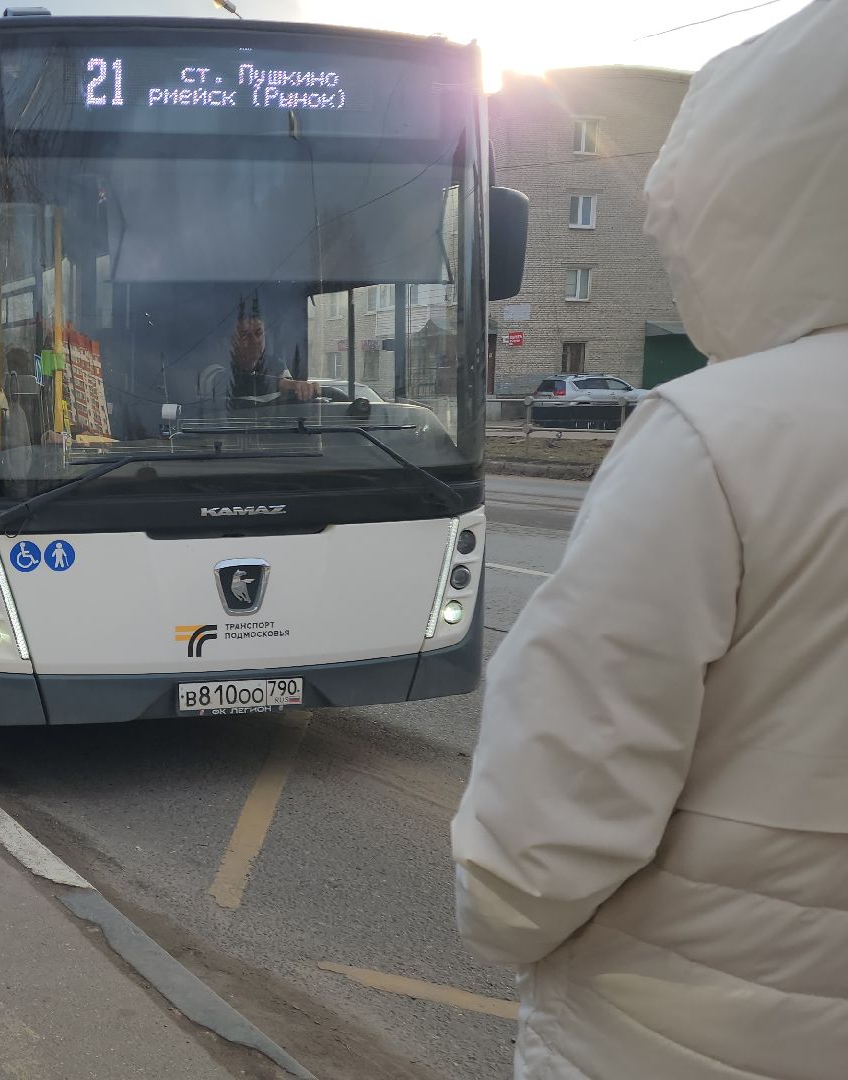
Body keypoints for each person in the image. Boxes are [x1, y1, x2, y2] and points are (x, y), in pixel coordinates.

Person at [452, 5, 848, 1077]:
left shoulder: (718, 437)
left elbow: (540, 835)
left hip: (674, 1036)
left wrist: (500, 920)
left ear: (736, 200)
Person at [196, 297, 312, 416]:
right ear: (229, 341)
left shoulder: (275, 363)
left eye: (258, 333)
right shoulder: (212, 370)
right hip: (222, 432)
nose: (255, 340)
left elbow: (290, 394)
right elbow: (236, 384)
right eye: (245, 335)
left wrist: (304, 389)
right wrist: (282, 384)